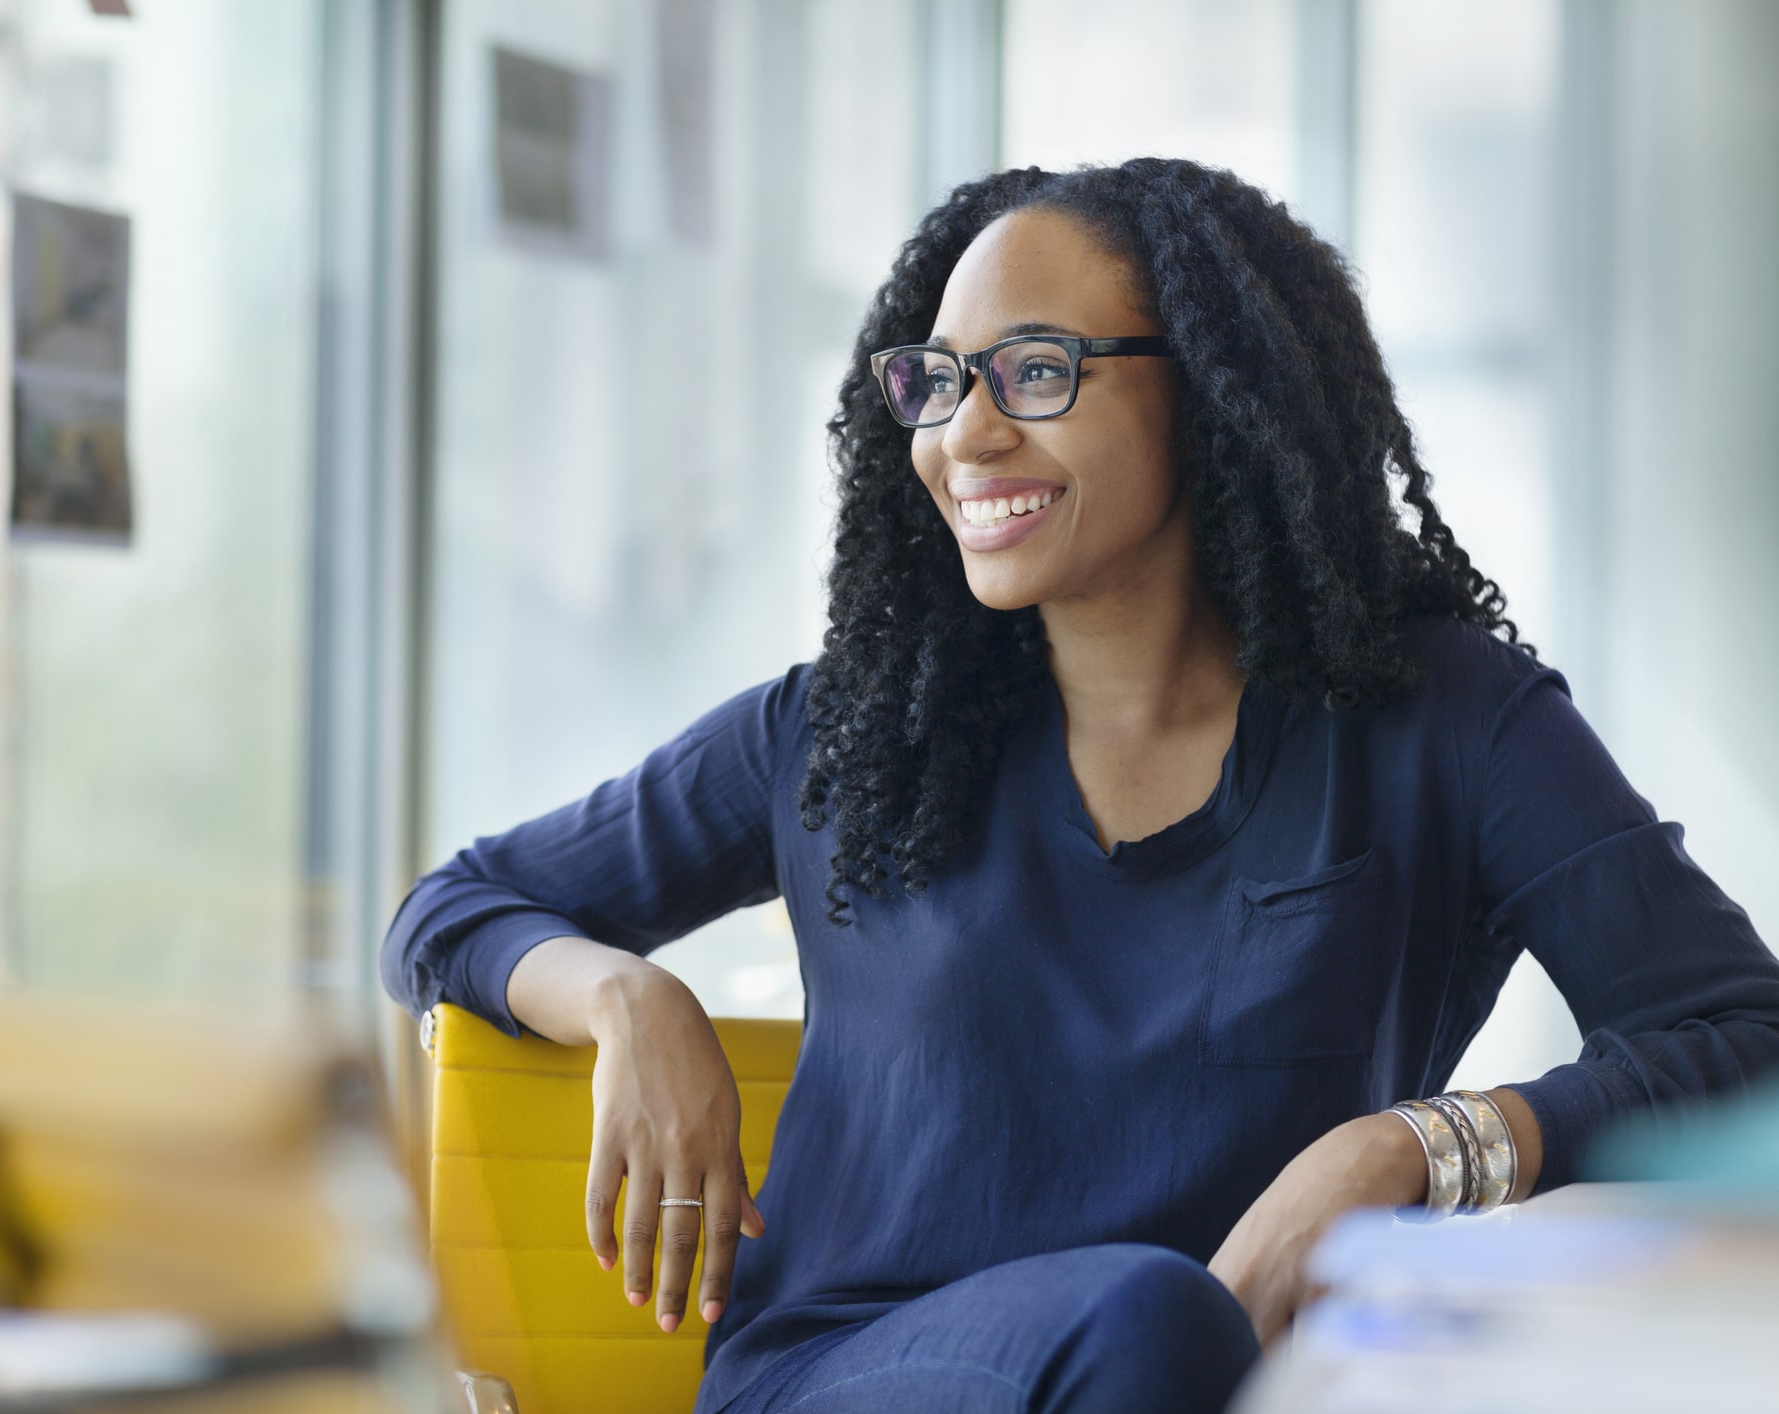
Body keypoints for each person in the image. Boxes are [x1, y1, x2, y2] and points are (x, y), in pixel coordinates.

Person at [380, 159, 1779, 1414]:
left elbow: (1741, 1032)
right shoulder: (849, 731)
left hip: (1225, 1380)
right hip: (836, 1377)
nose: (963, 435)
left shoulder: (1443, 722)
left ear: (1220, 395)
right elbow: (451, 907)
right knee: (1147, 1308)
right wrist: (628, 994)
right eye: (934, 380)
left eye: (1036, 370)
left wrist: (1400, 1149)